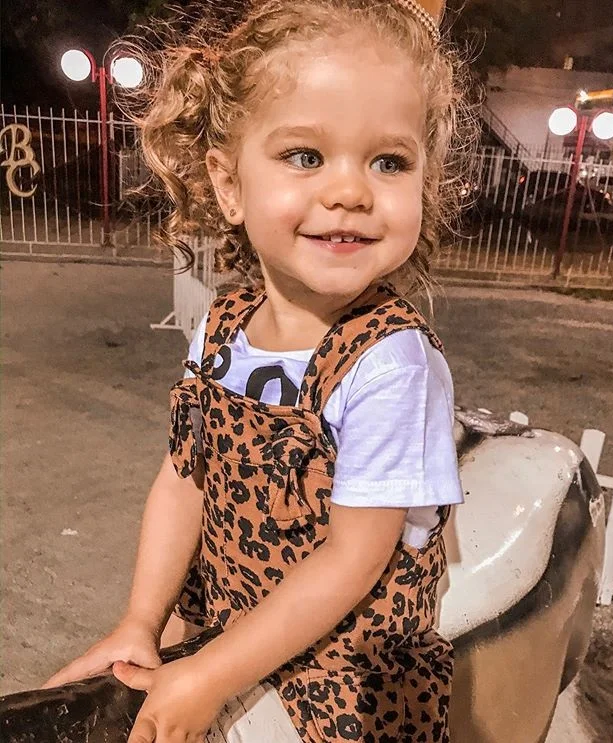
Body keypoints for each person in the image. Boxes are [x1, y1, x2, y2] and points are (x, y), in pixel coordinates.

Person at [44, 0, 474, 740]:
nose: (350, 191)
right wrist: (141, 621)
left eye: (389, 162)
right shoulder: (221, 328)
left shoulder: (391, 364)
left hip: (344, 668)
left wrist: (211, 675)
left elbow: (352, 559)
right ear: (229, 184)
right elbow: (184, 478)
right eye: (305, 156)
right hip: (224, 616)